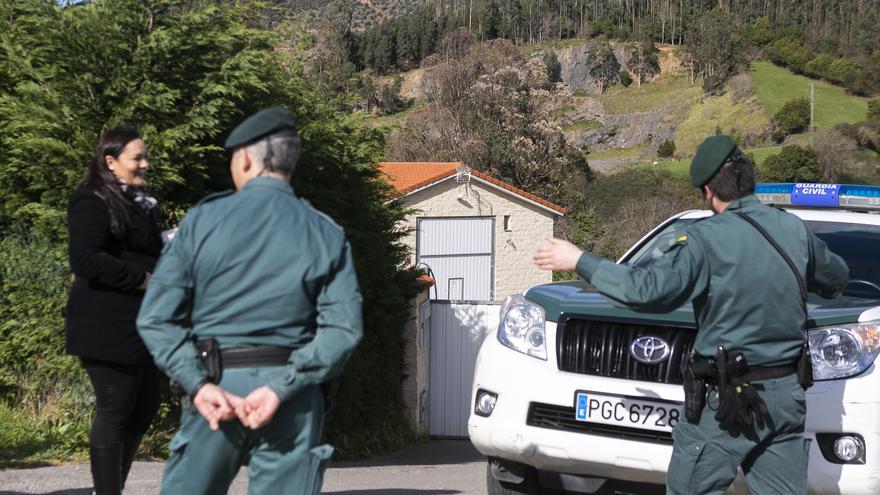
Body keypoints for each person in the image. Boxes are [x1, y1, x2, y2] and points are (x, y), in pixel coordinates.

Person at [534, 134, 849, 495]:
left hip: (726, 402)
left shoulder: (705, 238)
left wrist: (579, 260)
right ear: (748, 180)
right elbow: (836, 278)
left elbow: (647, 292)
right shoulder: (793, 229)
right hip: (784, 400)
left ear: (708, 192)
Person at [136, 106, 363, 494]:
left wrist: (197, 384)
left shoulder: (202, 222)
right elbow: (343, 330)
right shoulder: (324, 232)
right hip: (291, 395)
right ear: (290, 162)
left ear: (243, 159)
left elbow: (156, 318)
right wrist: (282, 388)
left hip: (214, 387)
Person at [65, 127, 164, 494]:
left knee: (143, 407)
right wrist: (144, 279)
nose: (145, 164)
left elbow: (142, 250)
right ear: (110, 161)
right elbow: (86, 259)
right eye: (137, 158)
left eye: (144, 156)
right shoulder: (91, 200)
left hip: (140, 325)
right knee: (115, 410)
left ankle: (111, 488)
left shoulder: (137, 203)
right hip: (105, 325)